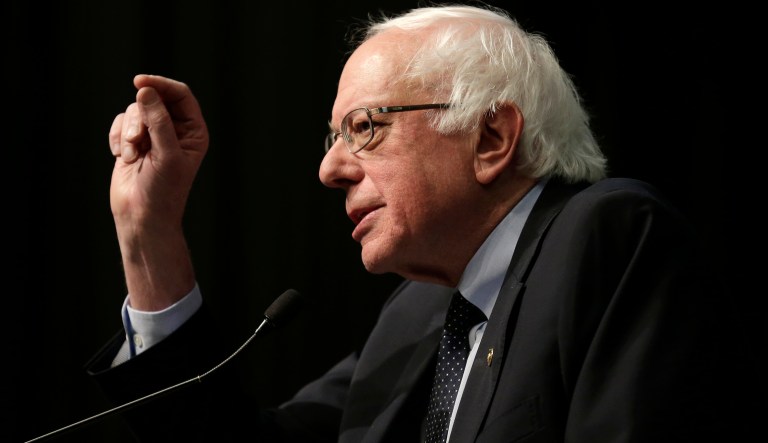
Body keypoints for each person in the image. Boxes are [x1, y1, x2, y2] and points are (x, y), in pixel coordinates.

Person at [86, 3, 757, 442]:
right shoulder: (417, 315)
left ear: (491, 136)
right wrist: (150, 233)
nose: (329, 170)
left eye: (364, 128)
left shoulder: (606, 238)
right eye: (332, 138)